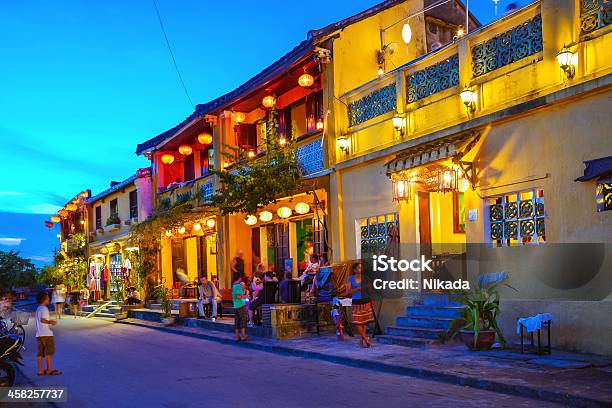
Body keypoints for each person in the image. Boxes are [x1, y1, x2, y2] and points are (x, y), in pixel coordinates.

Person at [346, 262, 373, 348]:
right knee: (358, 322)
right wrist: (357, 289)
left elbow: (370, 289)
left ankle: (362, 340)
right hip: (356, 301)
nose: (360, 269)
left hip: (366, 301)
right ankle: (366, 338)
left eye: (361, 267)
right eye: (358, 268)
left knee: (364, 322)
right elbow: (348, 292)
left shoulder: (365, 278)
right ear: (354, 270)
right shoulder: (350, 278)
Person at [35, 292, 60, 376]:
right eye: (47, 298)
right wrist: (51, 322)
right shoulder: (44, 309)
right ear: (44, 299)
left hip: (39, 334)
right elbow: (42, 320)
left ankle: (40, 370)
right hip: (46, 334)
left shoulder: (38, 308)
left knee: (40, 353)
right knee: (49, 352)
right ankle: (49, 369)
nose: (49, 299)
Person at [231, 272, 249, 341]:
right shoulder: (238, 286)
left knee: (237, 321)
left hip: (235, 306)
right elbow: (238, 296)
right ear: (239, 278)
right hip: (240, 305)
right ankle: (243, 336)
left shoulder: (234, 285)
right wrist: (245, 296)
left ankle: (237, 336)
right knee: (243, 321)